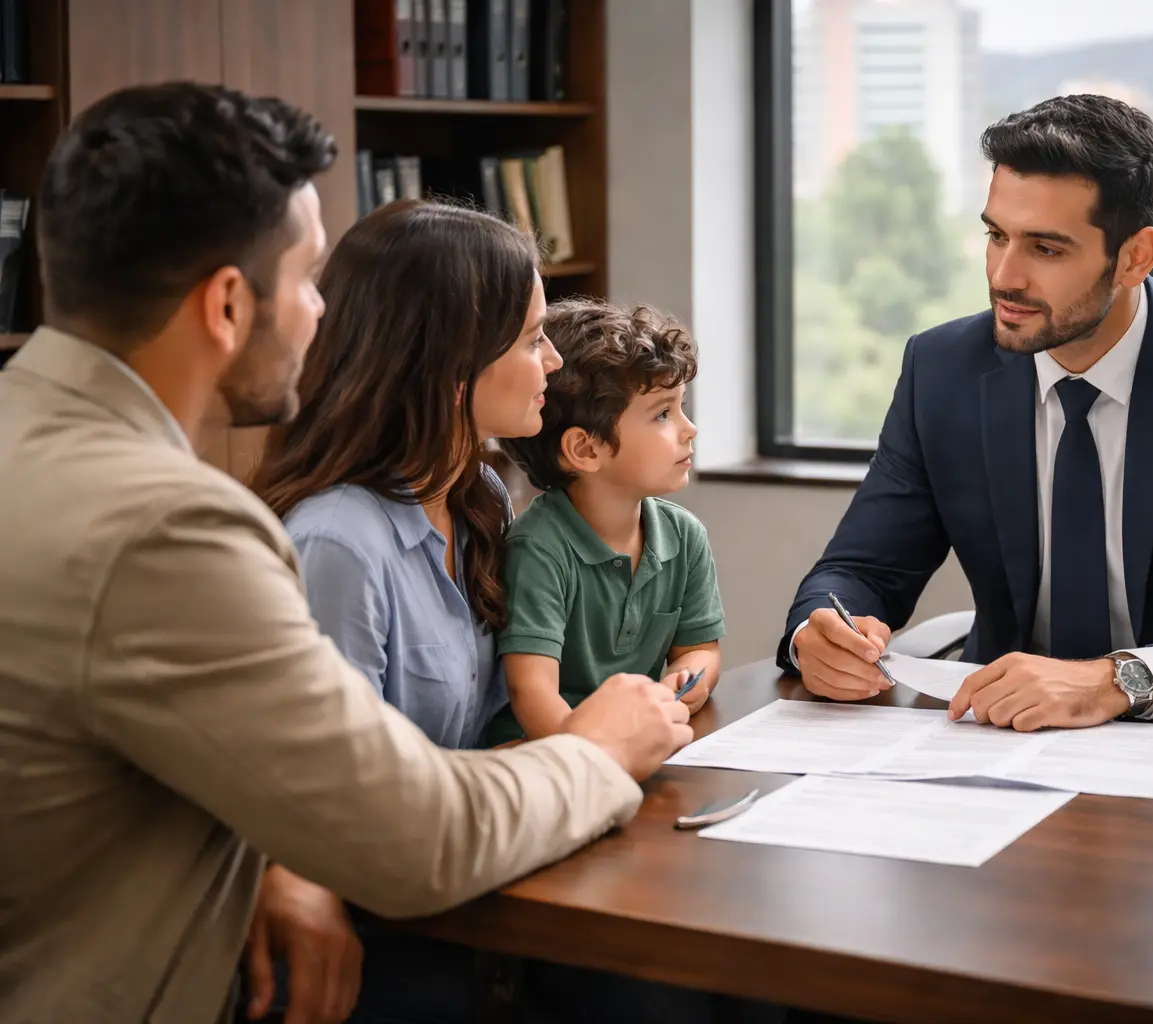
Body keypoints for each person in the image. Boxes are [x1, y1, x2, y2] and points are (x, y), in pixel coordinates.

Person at [0, 82, 692, 1024]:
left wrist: (275, 859)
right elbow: (415, 837)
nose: (325, 312)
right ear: (229, 304)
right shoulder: (166, 529)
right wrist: (601, 749)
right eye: (307, 278)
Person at [781, 94, 1153, 731]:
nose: (1004, 276)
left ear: (1136, 257)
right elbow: (860, 571)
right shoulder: (942, 370)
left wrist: (1118, 680)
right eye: (996, 235)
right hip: (999, 742)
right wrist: (823, 634)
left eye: (1047, 249)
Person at [245, 199, 565, 1021]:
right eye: (533, 337)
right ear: (453, 361)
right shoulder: (340, 545)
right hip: (383, 928)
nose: (555, 361)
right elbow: (329, 810)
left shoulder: (480, 497)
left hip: (471, 886)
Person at [486, 298, 724, 744]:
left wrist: (688, 679)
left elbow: (700, 649)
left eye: (681, 407)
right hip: (550, 757)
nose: (689, 428)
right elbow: (531, 691)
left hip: (632, 747)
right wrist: (596, 757)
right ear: (586, 450)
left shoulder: (684, 536)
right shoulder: (539, 548)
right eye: (662, 414)